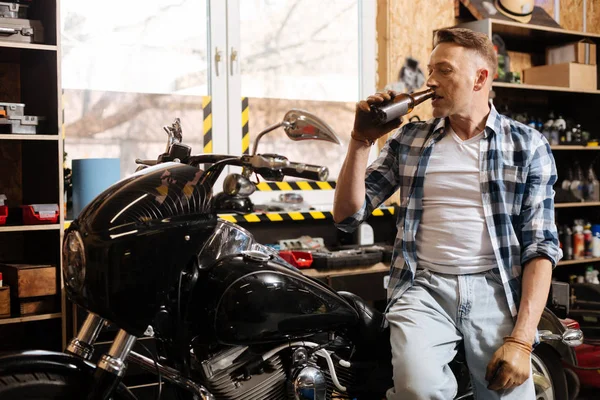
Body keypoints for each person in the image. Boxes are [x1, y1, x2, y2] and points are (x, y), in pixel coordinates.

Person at [333, 27, 561, 400]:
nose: (430, 81)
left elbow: (541, 246)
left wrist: (520, 342)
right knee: (415, 390)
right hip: (424, 288)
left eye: (444, 70)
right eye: (430, 71)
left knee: (507, 392)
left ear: (480, 78)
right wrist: (361, 141)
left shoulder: (527, 145)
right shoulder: (409, 140)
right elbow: (347, 216)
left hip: (496, 288)